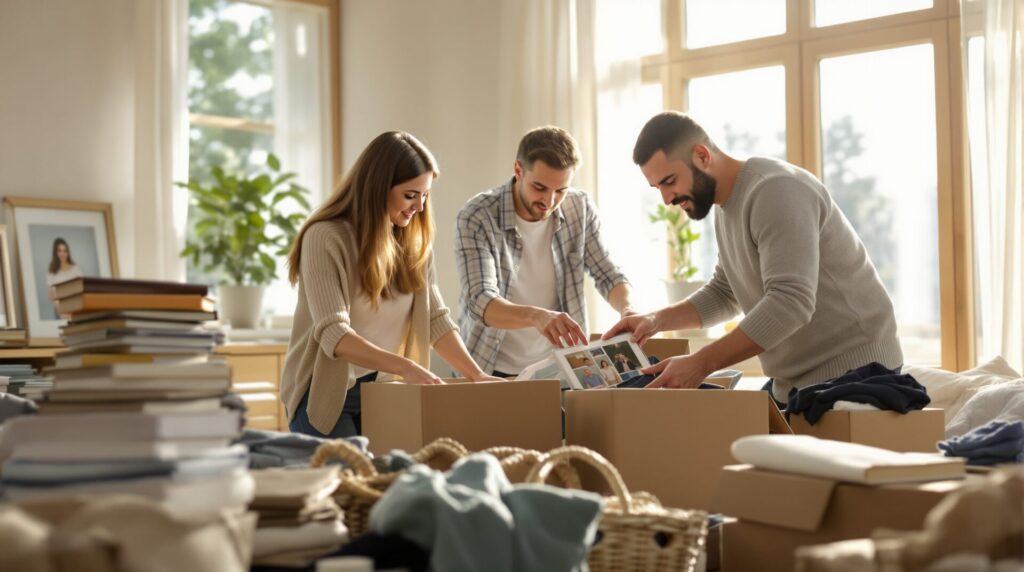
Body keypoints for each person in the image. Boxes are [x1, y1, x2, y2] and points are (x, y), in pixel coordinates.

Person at [605, 111, 902, 405]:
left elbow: (791, 303)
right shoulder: (726, 205)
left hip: (857, 375)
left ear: (701, 156)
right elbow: (726, 292)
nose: (667, 199)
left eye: (670, 181)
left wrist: (701, 363)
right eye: (658, 188)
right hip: (799, 383)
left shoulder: (775, 190)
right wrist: (656, 320)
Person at [281, 131, 501, 438]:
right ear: (377, 188)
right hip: (321, 395)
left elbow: (436, 320)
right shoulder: (325, 238)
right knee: (355, 476)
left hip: (382, 390)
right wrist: (405, 367)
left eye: (425, 195)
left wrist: (475, 375)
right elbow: (335, 335)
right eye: (410, 195)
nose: (419, 207)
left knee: (394, 478)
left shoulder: (414, 243)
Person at [455, 126, 636, 377]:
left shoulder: (579, 208)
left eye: (560, 190)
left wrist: (627, 310)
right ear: (518, 170)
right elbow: (480, 300)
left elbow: (608, 274)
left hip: (559, 369)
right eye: (539, 187)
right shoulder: (478, 216)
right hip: (486, 367)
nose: (549, 202)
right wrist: (538, 317)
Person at [46, 238, 82, 319]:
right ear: (55, 253)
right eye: (59, 251)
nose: (63, 254)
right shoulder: (51, 271)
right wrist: (61, 310)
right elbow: (51, 295)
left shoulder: (75, 269)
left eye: (65, 251)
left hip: (76, 309)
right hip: (60, 311)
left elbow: (81, 289)